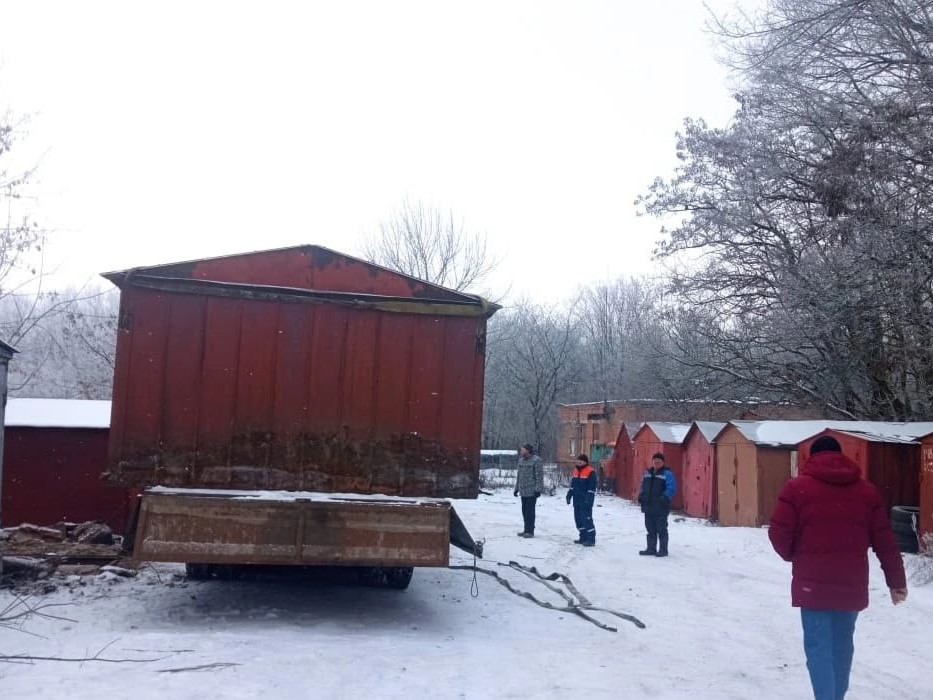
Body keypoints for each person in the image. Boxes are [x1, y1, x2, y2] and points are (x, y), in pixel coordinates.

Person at [769, 435, 908, 700]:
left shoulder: (797, 488)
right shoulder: (866, 491)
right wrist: (896, 581)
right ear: (841, 456)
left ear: (812, 457)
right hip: (850, 586)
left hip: (812, 584)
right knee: (842, 647)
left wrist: (794, 555)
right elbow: (884, 540)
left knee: (818, 648)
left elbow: (778, 532)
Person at [637, 452, 676, 557]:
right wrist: (641, 495)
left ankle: (663, 550)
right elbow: (642, 485)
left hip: (661, 507)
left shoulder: (667, 474)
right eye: (655, 460)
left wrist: (665, 497)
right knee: (650, 528)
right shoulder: (647, 473)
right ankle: (651, 549)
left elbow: (671, 488)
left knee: (661, 529)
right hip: (648, 506)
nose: (656, 462)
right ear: (652, 461)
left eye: (659, 460)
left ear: (663, 462)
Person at [513, 443, 544, 538]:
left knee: (530, 511)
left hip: (532, 491)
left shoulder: (537, 460)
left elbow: (539, 476)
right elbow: (519, 476)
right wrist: (516, 488)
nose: (521, 451)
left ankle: (530, 531)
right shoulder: (521, 461)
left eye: (523, 450)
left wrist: (538, 489)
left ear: (528, 450)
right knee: (524, 511)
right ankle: (526, 529)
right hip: (523, 490)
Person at [566, 454, 597, 546]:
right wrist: (569, 495)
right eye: (578, 461)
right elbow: (573, 486)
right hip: (577, 500)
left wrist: (588, 499)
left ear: (585, 462)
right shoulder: (576, 471)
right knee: (578, 520)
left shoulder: (591, 472)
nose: (579, 462)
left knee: (586, 519)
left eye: (581, 461)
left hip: (586, 500)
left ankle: (591, 539)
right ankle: (582, 537)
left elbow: (592, 488)